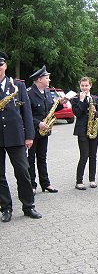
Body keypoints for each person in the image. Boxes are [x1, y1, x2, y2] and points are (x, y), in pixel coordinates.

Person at [0, 51, 42, 222]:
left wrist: (29, 136)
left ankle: (28, 206)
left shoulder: (17, 85)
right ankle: (5, 207)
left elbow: (27, 112)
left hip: (16, 136)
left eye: (0, 64)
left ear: (5, 66)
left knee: (23, 171)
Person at [27, 65, 66, 194]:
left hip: (45, 130)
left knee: (42, 157)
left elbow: (52, 109)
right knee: (31, 159)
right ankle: (32, 185)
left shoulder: (48, 92)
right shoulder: (29, 93)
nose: (49, 80)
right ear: (39, 79)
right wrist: (38, 123)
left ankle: (46, 183)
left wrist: (60, 104)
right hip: (33, 131)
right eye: (47, 78)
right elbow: (25, 114)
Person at [71, 77, 98, 190]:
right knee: (84, 155)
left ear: (90, 86)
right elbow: (77, 113)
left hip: (94, 129)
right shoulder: (75, 99)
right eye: (82, 85)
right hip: (82, 130)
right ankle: (79, 181)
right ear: (80, 86)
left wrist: (96, 112)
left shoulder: (95, 98)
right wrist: (81, 100)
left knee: (93, 156)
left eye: (86, 85)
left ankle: (92, 179)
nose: (84, 88)